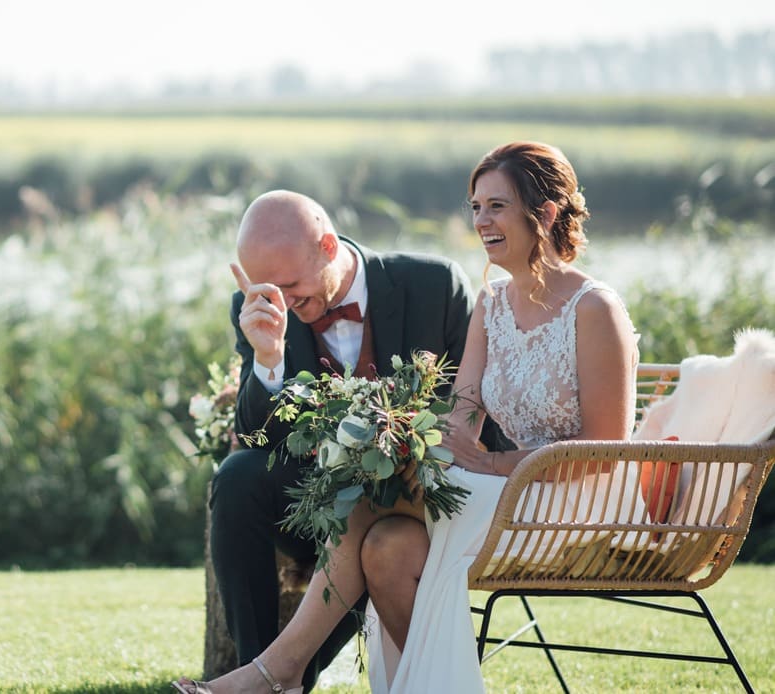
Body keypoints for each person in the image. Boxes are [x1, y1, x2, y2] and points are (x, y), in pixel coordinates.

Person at [177, 142, 638, 694]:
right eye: (475, 206)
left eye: (496, 206)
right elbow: (460, 419)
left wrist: (488, 461)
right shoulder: (491, 305)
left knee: (366, 498)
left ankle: (274, 675)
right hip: (481, 487)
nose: (481, 221)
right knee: (384, 545)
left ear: (544, 214)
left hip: (568, 498)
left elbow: (606, 452)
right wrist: (394, 436)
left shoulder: (593, 307)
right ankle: (296, 677)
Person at [178, 189, 486, 693]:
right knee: (236, 478)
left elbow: (467, 411)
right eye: (266, 288)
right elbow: (256, 437)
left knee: (366, 507)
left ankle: (273, 682)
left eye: (291, 285)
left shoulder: (432, 285)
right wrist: (268, 358)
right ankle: (264, 668)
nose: (283, 302)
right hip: (311, 504)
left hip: (418, 499)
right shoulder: (256, 308)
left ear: (326, 245)